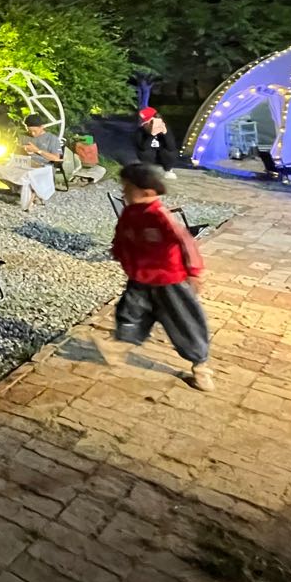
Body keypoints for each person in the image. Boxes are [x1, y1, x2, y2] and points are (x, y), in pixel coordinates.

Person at [99, 162, 214, 392]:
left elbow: (186, 243)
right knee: (129, 312)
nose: (124, 192)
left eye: (127, 188)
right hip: (140, 277)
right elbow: (121, 237)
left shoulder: (160, 216)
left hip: (169, 280)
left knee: (184, 322)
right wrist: (119, 253)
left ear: (147, 191)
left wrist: (194, 272)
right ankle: (119, 346)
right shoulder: (131, 213)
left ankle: (200, 366)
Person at [135, 106, 179, 176]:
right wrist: (152, 134)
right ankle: (147, 169)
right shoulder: (140, 131)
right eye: (145, 122)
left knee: (170, 152)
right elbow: (143, 147)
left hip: (162, 156)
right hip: (150, 158)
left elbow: (171, 147)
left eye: (150, 122)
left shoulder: (165, 128)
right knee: (144, 152)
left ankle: (168, 169)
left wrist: (165, 133)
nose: (148, 124)